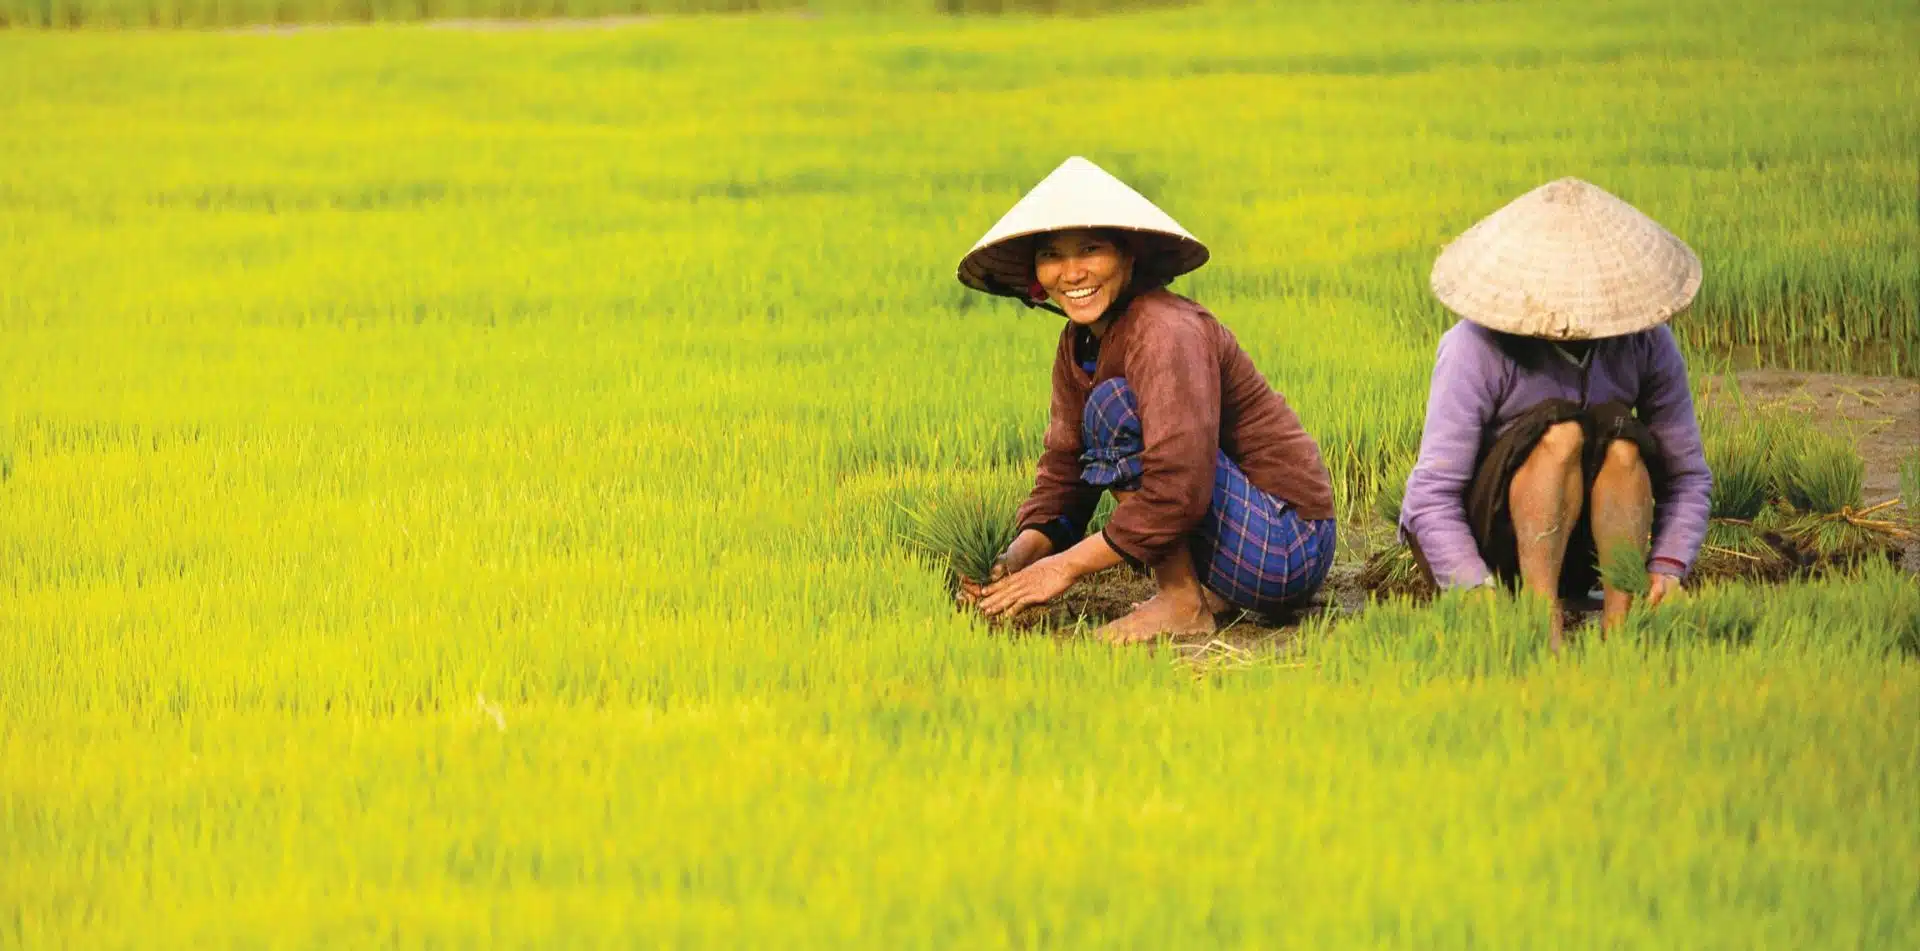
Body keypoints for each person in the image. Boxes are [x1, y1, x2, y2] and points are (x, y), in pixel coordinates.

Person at [953, 156, 1337, 643]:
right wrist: (1019, 559)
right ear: (1035, 272)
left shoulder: (1165, 330)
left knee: (1114, 408)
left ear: (1129, 256)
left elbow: (1178, 484)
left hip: (1287, 543)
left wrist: (1064, 568)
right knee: (1106, 412)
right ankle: (1196, 589)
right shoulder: (1080, 341)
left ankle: (1181, 600)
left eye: (1090, 249)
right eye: (1052, 255)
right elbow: (1066, 467)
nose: (1071, 273)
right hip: (1237, 539)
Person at [1398, 177, 1714, 646]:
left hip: (1585, 549)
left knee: (1622, 443)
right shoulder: (1474, 348)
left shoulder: (1645, 343)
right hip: (1499, 550)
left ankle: (1621, 624)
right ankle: (1540, 627)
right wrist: (1472, 586)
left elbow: (1688, 478)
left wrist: (1668, 566)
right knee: (1560, 434)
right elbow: (1429, 499)